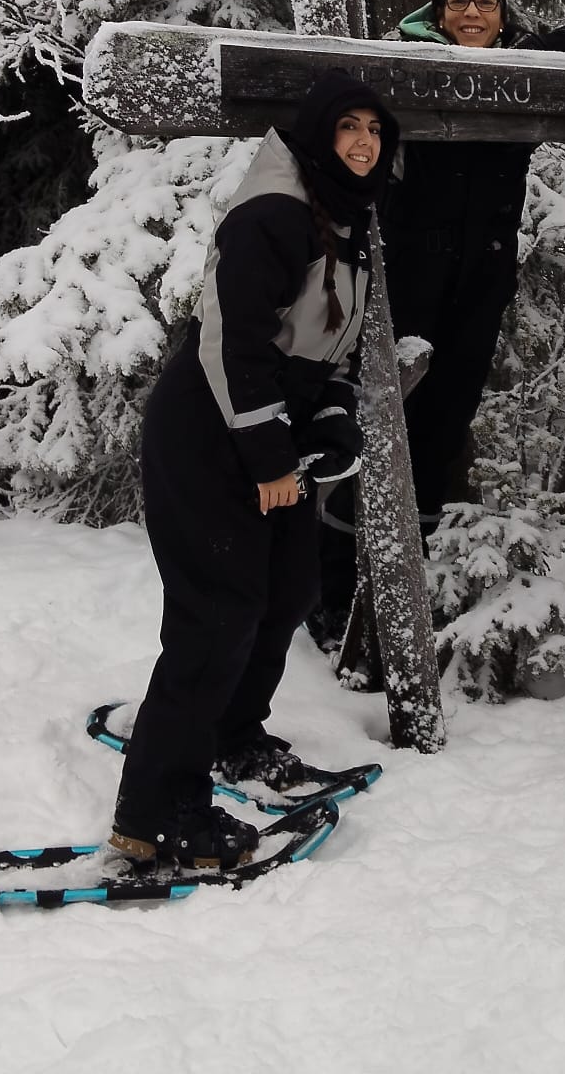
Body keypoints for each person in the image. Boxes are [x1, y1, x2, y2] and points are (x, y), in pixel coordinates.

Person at [110, 71, 399, 870]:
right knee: (219, 615)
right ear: (316, 135)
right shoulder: (274, 210)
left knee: (288, 591)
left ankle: (234, 735)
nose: (363, 143)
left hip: (272, 426)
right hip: (212, 426)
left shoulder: (345, 218)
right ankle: (155, 815)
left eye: (374, 129)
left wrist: (334, 416)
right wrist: (271, 454)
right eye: (347, 127)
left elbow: (331, 348)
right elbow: (231, 342)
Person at [383, 0, 565, 536]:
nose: (472, 13)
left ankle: (424, 555)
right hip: (411, 275)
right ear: (438, 12)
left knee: (447, 419)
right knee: (389, 420)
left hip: (481, 280)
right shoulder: (404, 61)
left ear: (503, 17)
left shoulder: (520, 72)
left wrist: (540, 46)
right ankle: (351, 574)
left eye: (486, 2)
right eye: (459, 1)